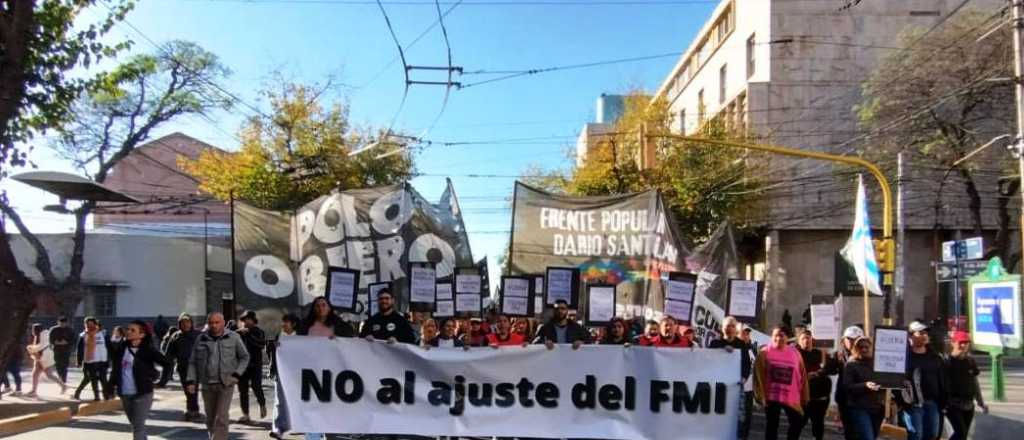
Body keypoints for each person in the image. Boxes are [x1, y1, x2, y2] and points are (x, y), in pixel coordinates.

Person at [186, 312, 250, 440]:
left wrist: (236, 374)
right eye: (211, 323)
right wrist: (191, 381)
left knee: (221, 417)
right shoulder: (201, 338)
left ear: (223, 322)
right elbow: (192, 361)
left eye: (217, 322)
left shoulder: (234, 337)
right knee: (210, 418)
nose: (214, 325)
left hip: (226, 383)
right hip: (207, 385)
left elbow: (245, 357)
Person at [298, 296, 353, 440]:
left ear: (329, 308)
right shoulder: (305, 326)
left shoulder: (340, 326)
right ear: (313, 309)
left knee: (331, 411)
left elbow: (352, 344)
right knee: (312, 410)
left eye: (324, 305)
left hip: (334, 374)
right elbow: (296, 346)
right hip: (311, 374)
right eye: (317, 305)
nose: (321, 308)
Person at [108, 320, 172, 440]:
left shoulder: (148, 350)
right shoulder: (122, 348)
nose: (128, 332)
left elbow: (168, 363)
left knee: (137, 426)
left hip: (143, 393)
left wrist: (162, 382)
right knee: (136, 425)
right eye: (128, 329)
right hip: (125, 393)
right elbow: (116, 369)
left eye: (133, 330)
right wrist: (110, 387)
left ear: (142, 334)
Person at [754, 325, 809, 440]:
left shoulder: (795, 353)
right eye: (775, 335)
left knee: (798, 422)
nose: (778, 338)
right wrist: (760, 396)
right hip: (771, 396)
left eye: (781, 335)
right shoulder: (764, 353)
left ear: (787, 338)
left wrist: (804, 395)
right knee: (772, 426)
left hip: (790, 397)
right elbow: (758, 376)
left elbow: (802, 374)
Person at [709, 317, 753, 440]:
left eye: (732, 326)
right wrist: (722, 350)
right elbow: (708, 360)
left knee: (737, 417)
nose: (729, 329)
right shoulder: (715, 343)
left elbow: (746, 364)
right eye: (727, 326)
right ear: (722, 328)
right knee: (718, 414)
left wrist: (744, 378)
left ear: (736, 330)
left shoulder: (741, 344)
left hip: (736, 386)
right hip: (717, 387)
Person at [901, 321, 946, 440]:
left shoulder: (935, 357)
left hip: (932, 402)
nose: (924, 335)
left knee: (932, 434)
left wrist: (944, 401)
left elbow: (943, 380)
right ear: (911, 336)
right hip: (913, 403)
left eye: (925, 332)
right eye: (920, 333)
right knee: (916, 435)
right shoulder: (904, 357)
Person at [944, 331, 987, 440]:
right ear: (953, 343)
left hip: (969, 405)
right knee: (961, 432)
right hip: (953, 405)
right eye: (961, 342)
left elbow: (975, 383)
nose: (963, 345)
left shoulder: (970, 361)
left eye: (966, 342)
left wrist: (981, 402)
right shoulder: (947, 362)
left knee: (962, 435)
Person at [843, 336, 885, 440]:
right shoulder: (851, 365)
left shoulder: (879, 363)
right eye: (861, 347)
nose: (864, 349)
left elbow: (886, 381)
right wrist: (865, 385)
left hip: (877, 407)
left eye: (866, 347)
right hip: (859, 407)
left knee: (873, 436)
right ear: (855, 349)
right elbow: (847, 386)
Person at [829, 325, 865, 440]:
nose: (852, 342)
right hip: (844, 398)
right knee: (849, 431)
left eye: (855, 339)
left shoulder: (867, 356)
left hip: (862, 399)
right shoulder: (838, 355)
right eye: (849, 339)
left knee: (862, 431)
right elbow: (829, 370)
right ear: (843, 340)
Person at [796, 330, 833, 440]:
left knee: (818, 423)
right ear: (799, 341)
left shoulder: (820, 353)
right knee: (799, 422)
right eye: (803, 338)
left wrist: (819, 372)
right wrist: (806, 376)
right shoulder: (795, 354)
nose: (806, 340)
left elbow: (830, 369)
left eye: (808, 338)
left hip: (820, 396)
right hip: (802, 396)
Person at [165, 313, 202, 421]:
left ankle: (193, 411)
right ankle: (191, 410)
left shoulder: (198, 335)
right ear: (180, 324)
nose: (186, 324)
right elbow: (169, 354)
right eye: (183, 322)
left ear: (191, 323)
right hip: (182, 367)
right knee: (187, 389)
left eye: (188, 322)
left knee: (192, 389)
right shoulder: (176, 336)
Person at [270, 313, 299, 439]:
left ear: (293, 324)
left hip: (296, 373)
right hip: (280, 372)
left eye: (286, 322)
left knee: (296, 400)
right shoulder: (277, 336)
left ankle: (297, 423)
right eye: (282, 322)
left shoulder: (301, 337)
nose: (283, 325)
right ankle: (278, 428)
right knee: (280, 401)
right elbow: (272, 354)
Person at [236, 310, 267, 424]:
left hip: (255, 365)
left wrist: (248, 335)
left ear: (253, 320)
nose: (246, 322)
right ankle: (245, 414)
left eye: (248, 319)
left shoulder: (258, 332)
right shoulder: (239, 333)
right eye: (244, 320)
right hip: (242, 366)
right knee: (242, 390)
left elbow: (261, 344)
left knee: (256, 386)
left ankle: (262, 404)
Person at [26, 323, 68, 397]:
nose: (32, 331)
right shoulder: (40, 335)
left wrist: (31, 348)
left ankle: (63, 386)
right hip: (40, 357)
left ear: (36, 330)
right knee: (36, 374)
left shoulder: (44, 335)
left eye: (33, 329)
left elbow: (42, 346)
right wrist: (32, 348)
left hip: (45, 357)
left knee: (48, 374)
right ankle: (33, 391)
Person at [74, 317, 110, 401]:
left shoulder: (103, 334)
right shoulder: (83, 335)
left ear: (95, 324)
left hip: (102, 360)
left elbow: (108, 347)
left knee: (103, 379)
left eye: (91, 324)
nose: (90, 326)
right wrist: (79, 361)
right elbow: (80, 349)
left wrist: (109, 360)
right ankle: (96, 396)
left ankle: (106, 396)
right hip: (90, 361)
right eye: (87, 324)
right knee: (92, 379)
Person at [48, 317, 74, 384]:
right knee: (58, 366)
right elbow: (50, 339)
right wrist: (55, 342)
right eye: (61, 323)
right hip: (56, 350)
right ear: (58, 322)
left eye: (64, 323)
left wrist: (66, 342)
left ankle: (63, 380)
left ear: (66, 323)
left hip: (66, 350)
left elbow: (73, 340)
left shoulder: (70, 330)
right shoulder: (54, 329)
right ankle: (60, 379)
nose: (62, 324)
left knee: (64, 366)